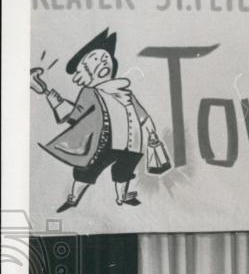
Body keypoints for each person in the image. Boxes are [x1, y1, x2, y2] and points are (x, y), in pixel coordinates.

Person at [31, 28, 168, 212]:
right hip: (105, 143)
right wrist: (50, 94)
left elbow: (142, 115)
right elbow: (74, 114)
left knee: (124, 172)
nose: (103, 61)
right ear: (85, 69)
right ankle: (73, 198)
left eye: (105, 58)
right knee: (87, 172)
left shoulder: (125, 92)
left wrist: (151, 132)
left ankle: (122, 197)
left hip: (133, 143)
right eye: (96, 59)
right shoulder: (90, 92)